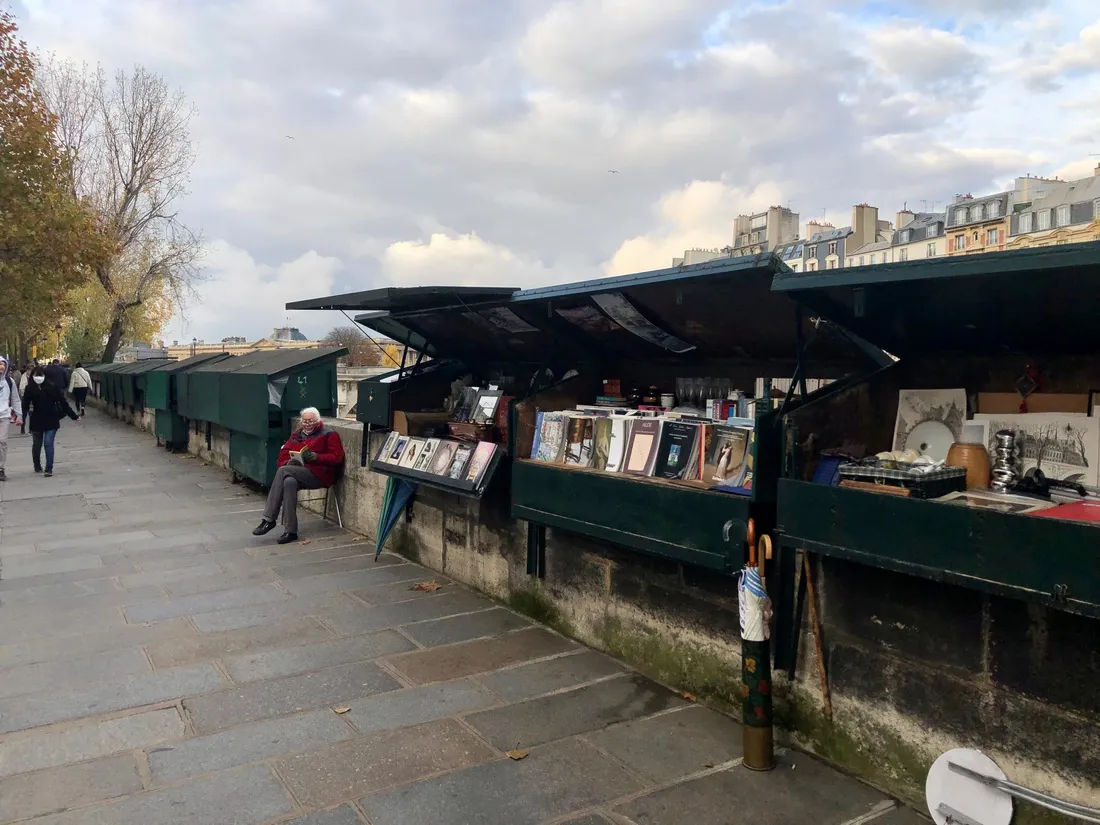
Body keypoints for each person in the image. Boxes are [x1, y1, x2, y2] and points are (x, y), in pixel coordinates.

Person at [253, 407, 345, 544]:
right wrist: (289, 461)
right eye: (304, 421)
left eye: (310, 421)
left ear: (318, 421)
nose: (307, 424)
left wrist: (317, 457)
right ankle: (290, 531)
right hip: (298, 471)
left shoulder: (329, 434)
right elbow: (282, 456)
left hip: (320, 474)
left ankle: (269, 519)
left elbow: (337, 458)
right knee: (288, 482)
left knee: (283, 471)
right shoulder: (297, 435)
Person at [22, 365, 80, 477]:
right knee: (37, 445)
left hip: (51, 419)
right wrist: (20, 418)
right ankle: (37, 465)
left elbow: (63, 402)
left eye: (40, 375)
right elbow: (25, 404)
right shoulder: (30, 388)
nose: (38, 377)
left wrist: (73, 416)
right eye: (36, 375)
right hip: (37, 420)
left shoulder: (52, 387)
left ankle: (49, 468)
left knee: (48, 443)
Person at [0, 357, 23, 482]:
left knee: (2, 441)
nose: (1, 367)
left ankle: (1, 468)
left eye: (3, 364)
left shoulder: (9, 382)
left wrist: (19, 415)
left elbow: (15, 398)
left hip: (4, 415)